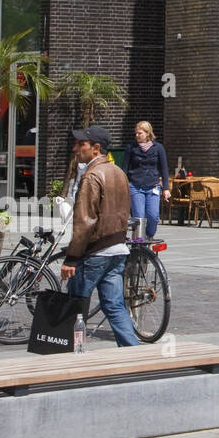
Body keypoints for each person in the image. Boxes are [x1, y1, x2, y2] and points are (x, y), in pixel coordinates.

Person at [59, 126, 138, 347]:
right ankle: (134, 354)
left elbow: (84, 220)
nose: (75, 148)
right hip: (118, 250)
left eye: (80, 144)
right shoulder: (118, 172)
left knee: (77, 305)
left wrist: (72, 258)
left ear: (96, 148)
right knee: (114, 306)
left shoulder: (92, 175)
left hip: (95, 252)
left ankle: (72, 354)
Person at [125, 120, 170, 238]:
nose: (137, 136)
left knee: (153, 216)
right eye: (135, 133)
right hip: (136, 186)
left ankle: (149, 235)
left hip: (153, 186)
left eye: (139, 133)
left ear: (147, 133)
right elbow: (124, 168)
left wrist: (166, 188)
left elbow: (164, 168)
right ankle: (139, 240)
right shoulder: (131, 148)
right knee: (139, 216)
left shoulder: (158, 148)